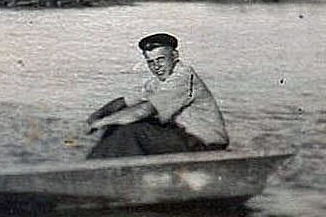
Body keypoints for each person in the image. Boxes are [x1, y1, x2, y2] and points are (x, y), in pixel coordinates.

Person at [85, 32, 229, 158]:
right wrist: (96, 116)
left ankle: (100, 169)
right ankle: (98, 166)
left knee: (130, 130)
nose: (156, 67)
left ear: (174, 55)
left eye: (160, 59)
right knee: (120, 123)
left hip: (207, 146)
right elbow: (123, 102)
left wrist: (101, 123)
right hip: (184, 138)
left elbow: (143, 111)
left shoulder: (183, 77)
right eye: (150, 62)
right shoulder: (156, 82)